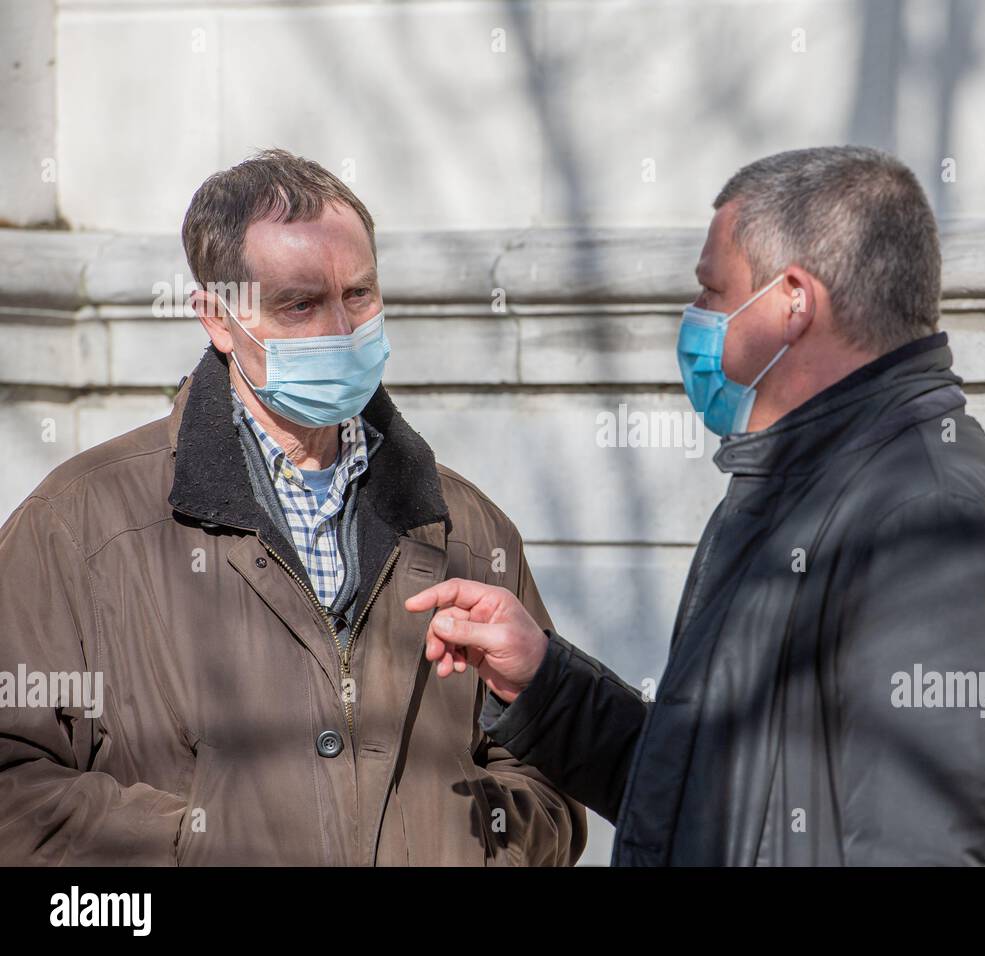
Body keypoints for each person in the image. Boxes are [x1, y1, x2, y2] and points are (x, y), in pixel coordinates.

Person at [406, 146, 985, 866]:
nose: (694, 319)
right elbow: (705, 802)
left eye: (711, 292)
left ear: (792, 301)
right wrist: (545, 682)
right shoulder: (791, 493)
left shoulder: (930, 522)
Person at [0, 149, 584, 865]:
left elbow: (550, 778)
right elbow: (16, 792)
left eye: (359, 295)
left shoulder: (468, 526)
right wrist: (199, 850)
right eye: (300, 304)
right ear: (217, 320)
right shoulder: (79, 522)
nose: (341, 330)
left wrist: (471, 851)